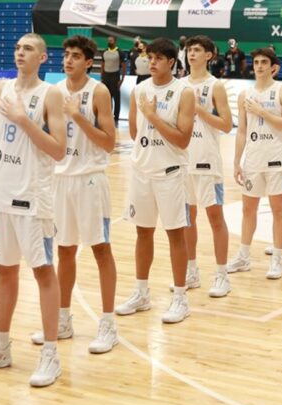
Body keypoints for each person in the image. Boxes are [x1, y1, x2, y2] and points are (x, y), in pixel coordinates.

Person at [0, 34, 67, 388]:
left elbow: (59, 150)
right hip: (1, 194)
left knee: (43, 272)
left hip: (33, 199)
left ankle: (51, 354)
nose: (20, 52)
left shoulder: (50, 94)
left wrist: (25, 120)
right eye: (17, 48)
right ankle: (0, 347)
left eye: (28, 49)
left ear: (43, 57)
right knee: (4, 271)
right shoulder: (2, 89)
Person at [29, 35, 119, 354]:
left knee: (100, 249)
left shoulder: (99, 91)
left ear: (89, 62)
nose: (68, 60)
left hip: (90, 179)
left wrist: (78, 115)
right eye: (66, 54)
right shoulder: (53, 92)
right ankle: (63, 319)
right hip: (60, 180)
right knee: (64, 251)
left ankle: (108, 324)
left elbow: (109, 143)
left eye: (76, 56)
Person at [114, 37, 195, 323]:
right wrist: (148, 121)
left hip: (171, 173)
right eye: (150, 57)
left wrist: (153, 116)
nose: (152, 62)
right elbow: (135, 133)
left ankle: (181, 298)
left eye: (158, 58)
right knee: (143, 233)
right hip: (142, 171)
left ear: (171, 61)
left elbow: (183, 140)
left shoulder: (184, 92)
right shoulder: (140, 89)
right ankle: (141, 293)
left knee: (175, 235)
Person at [226, 47, 282, 279]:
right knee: (248, 209)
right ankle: (243, 256)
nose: (259, 66)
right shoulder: (245, 94)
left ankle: (277, 258)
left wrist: (262, 111)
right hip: (254, 159)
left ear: (273, 67)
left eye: (264, 62)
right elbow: (241, 131)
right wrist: (237, 161)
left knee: (278, 210)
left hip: (277, 158)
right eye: (256, 62)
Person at [179, 35, 233, 297]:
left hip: (207, 161)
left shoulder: (215, 86)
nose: (191, 53)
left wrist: (200, 110)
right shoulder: (179, 85)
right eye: (190, 49)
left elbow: (227, 125)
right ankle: (192, 271)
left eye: (197, 50)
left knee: (215, 218)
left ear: (209, 55)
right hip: (183, 161)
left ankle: (222, 275)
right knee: (187, 220)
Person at [100, 36, 126, 125]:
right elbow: (102, 64)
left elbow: (124, 66)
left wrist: (122, 79)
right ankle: (108, 115)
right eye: (108, 40)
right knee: (106, 97)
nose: (109, 41)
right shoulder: (104, 51)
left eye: (111, 40)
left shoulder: (120, 52)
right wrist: (101, 76)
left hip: (115, 76)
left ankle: (116, 117)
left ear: (115, 41)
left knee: (116, 98)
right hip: (106, 76)